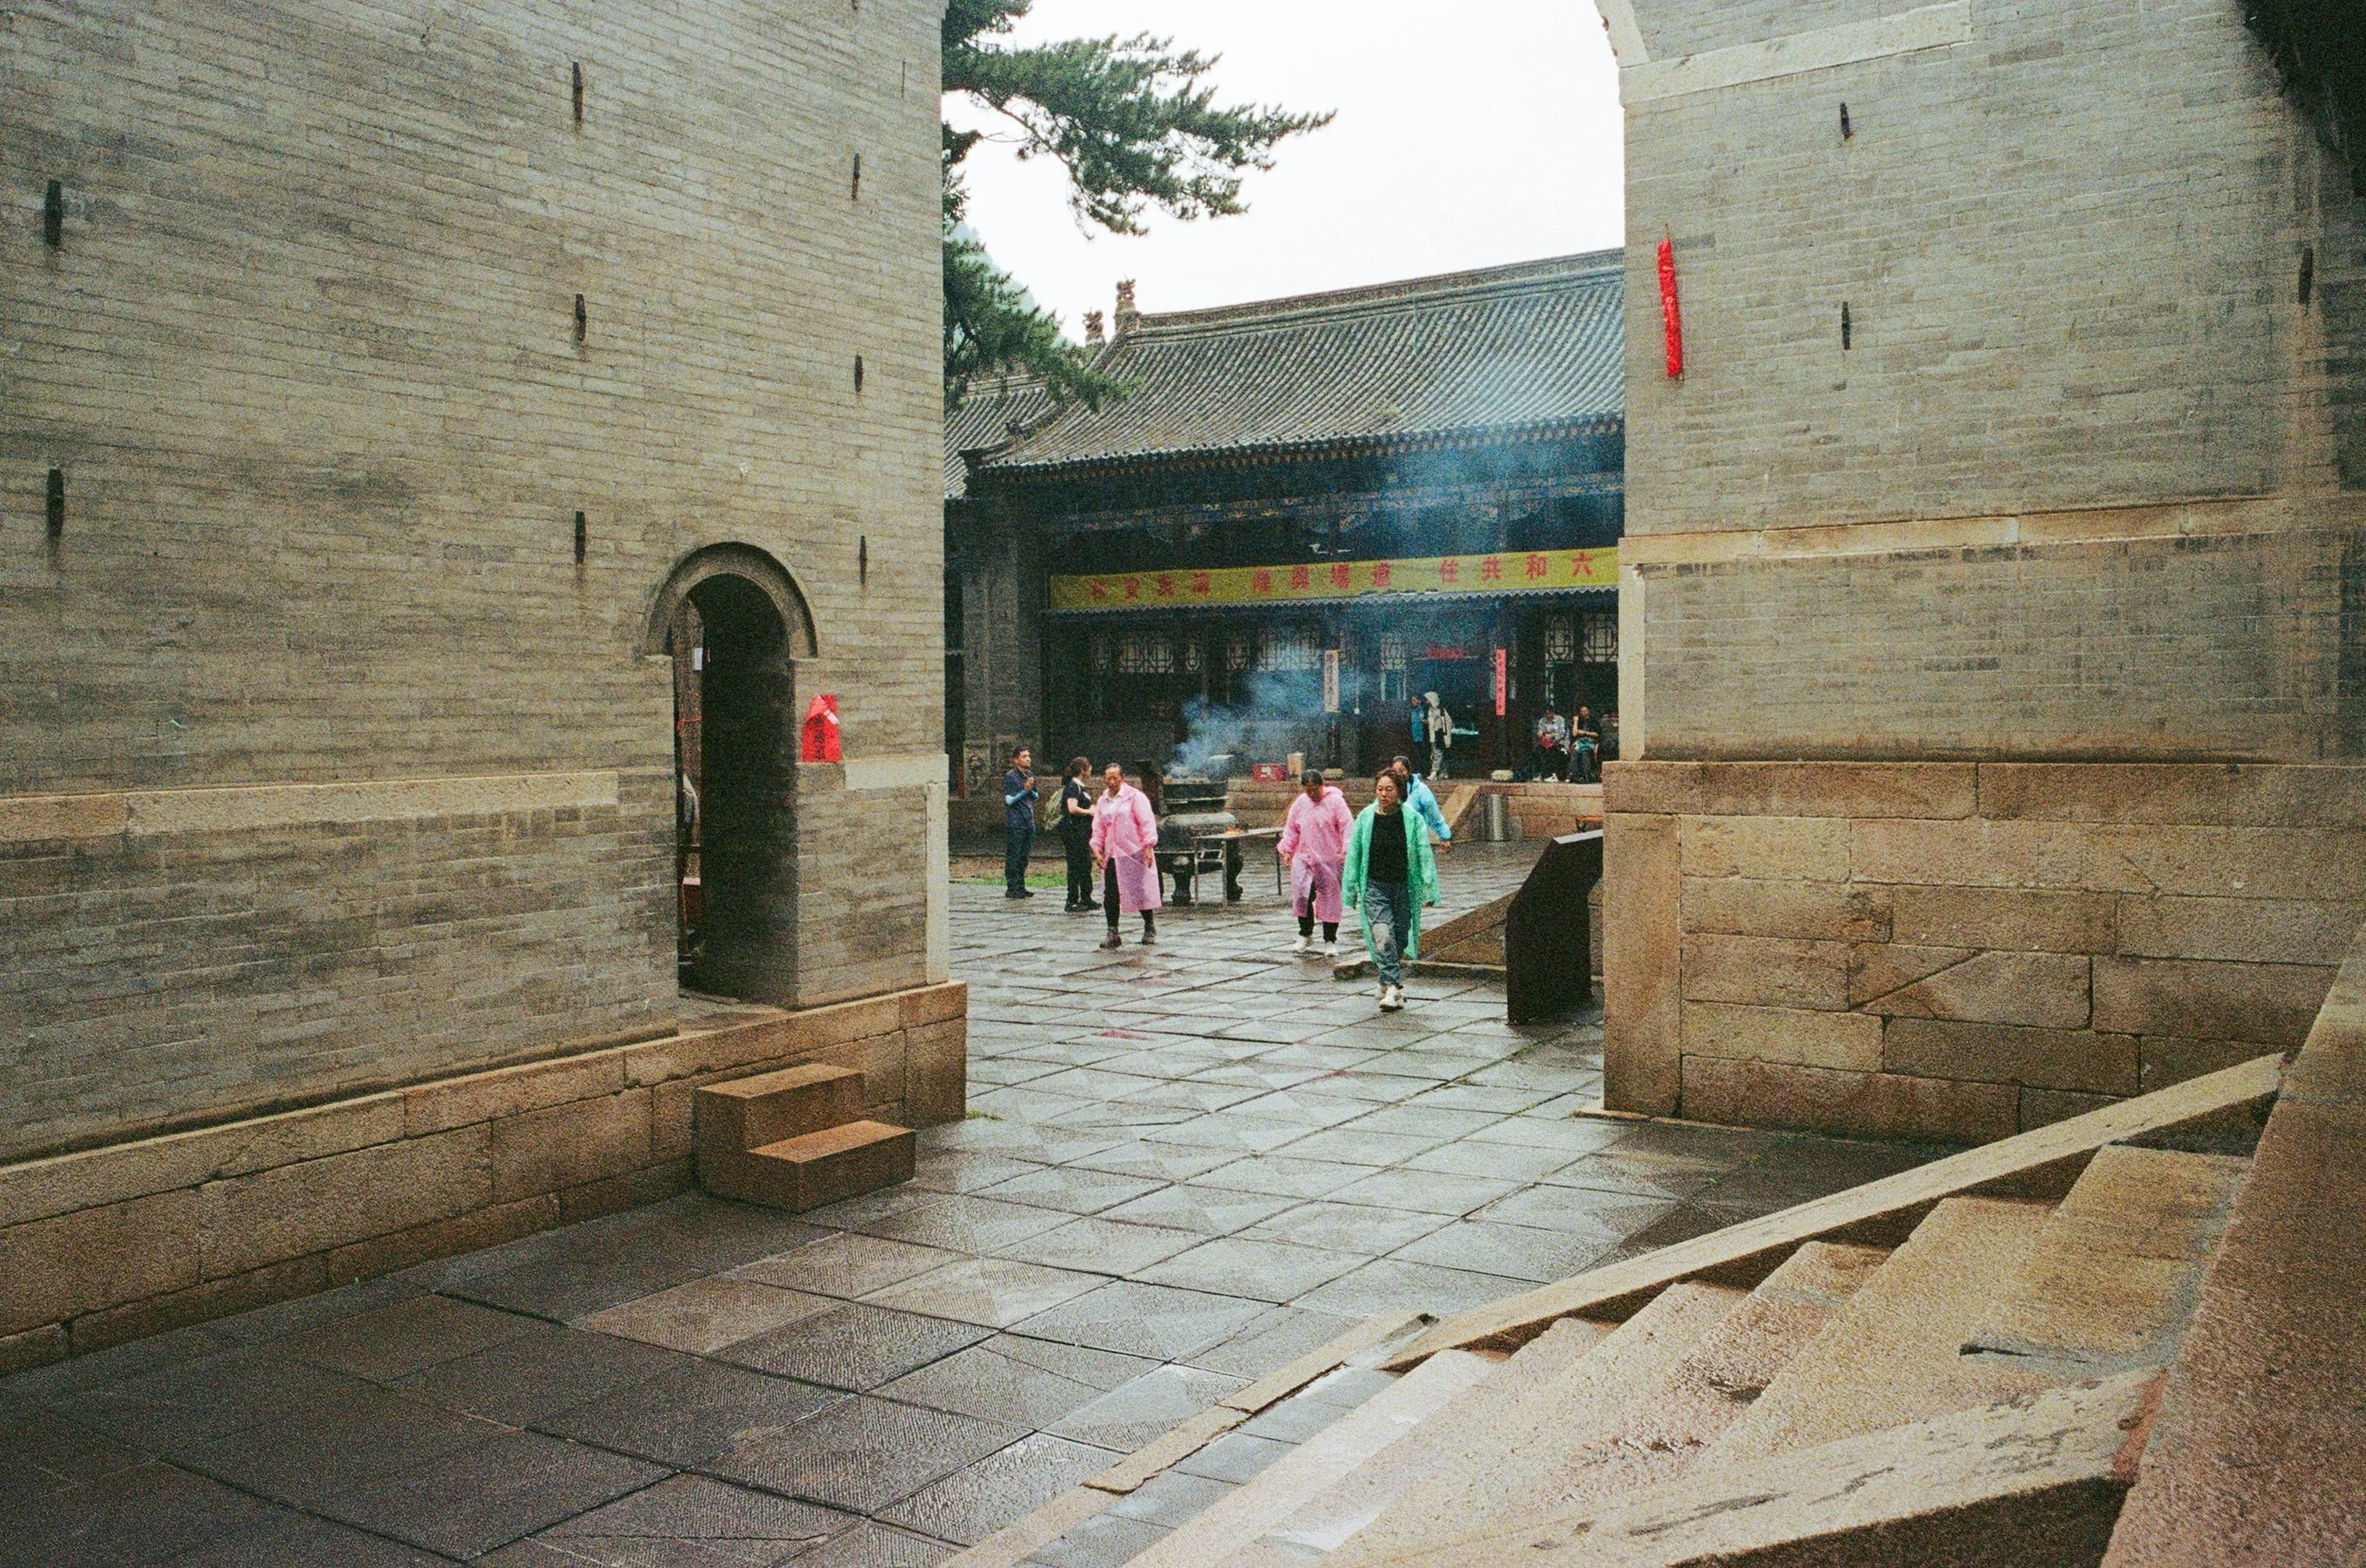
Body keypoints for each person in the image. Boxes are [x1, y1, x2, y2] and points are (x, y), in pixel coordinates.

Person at [1342, 769, 1438, 1013]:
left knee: (1400, 937)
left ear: (1399, 792)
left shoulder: (1412, 819)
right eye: (1380, 789)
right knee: (1382, 935)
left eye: (1389, 790)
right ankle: (1395, 988)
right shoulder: (1365, 818)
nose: (1383, 794)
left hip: (1404, 886)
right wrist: (1351, 888)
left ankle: (1385, 980)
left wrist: (1428, 889)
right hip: (1375, 886)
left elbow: (1424, 854)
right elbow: (1355, 854)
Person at [1278, 768, 1351, 959]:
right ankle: (1305, 932)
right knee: (1303, 896)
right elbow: (1291, 828)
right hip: (1303, 857)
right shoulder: (1301, 803)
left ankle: (1330, 939)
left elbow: (1346, 827)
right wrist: (1288, 850)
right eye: (1307, 790)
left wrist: (1346, 850)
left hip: (1328, 858)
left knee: (1330, 898)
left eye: (1314, 789)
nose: (1311, 794)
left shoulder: (1336, 802)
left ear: (1322, 785)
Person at [1088, 762, 1160, 948]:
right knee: (1110, 893)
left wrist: (1148, 846)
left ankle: (1149, 925)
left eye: (1115, 778)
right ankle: (1113, 931)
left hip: (1133, 851)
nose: (1111, 782)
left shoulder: (1135, 797)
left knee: (1139, 889)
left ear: (1122, 778)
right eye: (1108, 778)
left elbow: (1147, 822)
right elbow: (1099, 827)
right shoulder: (1103, 800)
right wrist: (1096, 848)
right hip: (1112, 853)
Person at [1057, 756, 1098, 912]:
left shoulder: (1081, 787)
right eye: (1088, 767)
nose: (1091, 769)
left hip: (1082, 832)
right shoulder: (1073, 787)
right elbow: (1072, 808)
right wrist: (1089, 811)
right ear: (1082, 770)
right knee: (1075, 865)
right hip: (1073, 832)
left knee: (1085, 864)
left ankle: (1086, 897)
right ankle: (1072, 899)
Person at [1390, 756, 1452, 846]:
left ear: (1408, 771)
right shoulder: (1386, 790)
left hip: (1417, 841)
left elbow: (1434, 814)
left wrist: (1444, 837)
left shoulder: (1421, 790)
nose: (1398, 774)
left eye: (1402, 770)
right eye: (1395, 771)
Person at [1002, 747, 1038, 898]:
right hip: (1015, 822)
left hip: (1028, 821)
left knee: (1024, 856)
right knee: (1014, 855)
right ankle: (1012, 887)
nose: (1028, 759)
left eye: (1029, 756)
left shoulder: (1029, 775)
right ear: (1016, 759)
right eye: (1024, 756)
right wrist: (1024, 791)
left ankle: (1021, 885)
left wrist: (1030, 790)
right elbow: (1009, 800)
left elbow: (1036, 796)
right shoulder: (1011, 776)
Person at [1423, 691, 1455, 779]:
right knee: (1439, 753)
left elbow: (1446, 723)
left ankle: (1434, 772)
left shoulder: (1440, 710)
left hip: (1439, 735)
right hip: (1433, 735)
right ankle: (1443, 772)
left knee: (1437, 753)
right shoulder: (1430, 710)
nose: (1426, 702)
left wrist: (1445, 736)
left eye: (1427, 699)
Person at [1532, 707, 1567, 782]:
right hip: (1545, 742)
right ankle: (1538, 774)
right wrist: (1542, 735)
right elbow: (1540, 731)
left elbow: (1561, 734)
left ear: (1552, 713)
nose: (1547, 716)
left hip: (1557, 742)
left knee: (1550, 752)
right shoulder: (1542, 720)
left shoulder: (1560, 720)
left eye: (1548, 714)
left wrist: (1552, 736)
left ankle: (1550, 774)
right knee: (1537, 751)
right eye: (1546, 714)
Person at [1570, 707, 1600, 784]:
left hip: (1590, 741)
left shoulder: (1593, 721)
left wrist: (1585, 733)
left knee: (1585, 752)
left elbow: (1597, 734)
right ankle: (1575, 776)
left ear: (1588, 711)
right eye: (1582, 711)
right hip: (1580, 742)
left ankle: (1586, 775)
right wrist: (1575, 721)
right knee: (1575, 753)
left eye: (1585, 711)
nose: (1584, 713)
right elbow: (1574, 733)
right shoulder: (1579, 721)